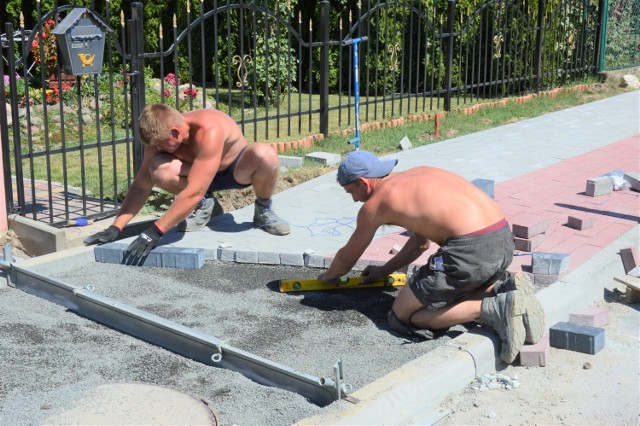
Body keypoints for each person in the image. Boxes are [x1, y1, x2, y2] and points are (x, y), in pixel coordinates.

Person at [318, 150, 545, 364]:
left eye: (351, 192)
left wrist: (328, 277)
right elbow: (420, 244)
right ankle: (502, 290)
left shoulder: (376, 205)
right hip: (503, 240)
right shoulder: (419, 173)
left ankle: (496, 308)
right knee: (450, 290)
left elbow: (346, 259)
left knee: (403, 316)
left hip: (470, 252)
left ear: (363, 182)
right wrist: (383, 271)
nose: (354, 199)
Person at [84, 104, 290, 256]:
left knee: (265, 155)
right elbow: (142, 184)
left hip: (234, 170)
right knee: (159, 169)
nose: (159, 149)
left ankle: (263, 209)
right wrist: (116, 227)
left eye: (162, 145)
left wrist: (155, 232)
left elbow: (193, 191)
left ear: (175, 131)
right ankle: (207, 206)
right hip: (197, 175)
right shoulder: (158, 138)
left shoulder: (209, 129)